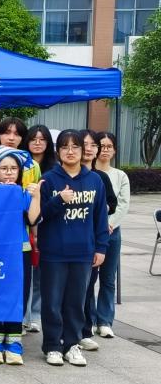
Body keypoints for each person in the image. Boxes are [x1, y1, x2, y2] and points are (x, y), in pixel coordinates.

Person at [38, 129, 109, 368]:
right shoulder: (49, 179)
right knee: (52, 301)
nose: (70, 151)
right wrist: (59, 200)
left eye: (75, 146)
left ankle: (72, 345)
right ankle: (52, 346)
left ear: (83, 150)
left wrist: (101, 247)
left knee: (76, 302)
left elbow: (100, 218)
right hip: (54, 252)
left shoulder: (94, 180)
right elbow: (39, 216)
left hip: (83, 252)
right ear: (58, 151)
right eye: (65, 147)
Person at [0, 147, 41, 365]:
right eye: (3, 168)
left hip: (19, 251)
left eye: (13, 168)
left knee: (18, 295)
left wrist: (36, 196)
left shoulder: (23, 193)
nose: (8, 172)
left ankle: (14, 343)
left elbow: (33, 219)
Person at [86, 131, 129, 342]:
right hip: (92, 231)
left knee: (108, 278)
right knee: (88, 279)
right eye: (101, 146)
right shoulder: (88, 173)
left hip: (112, 231)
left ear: (114, 150)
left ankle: (105, 321)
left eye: (108, 146)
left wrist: (108, 224)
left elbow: (122, 204)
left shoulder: (120, 175)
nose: (104, 150)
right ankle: (90, 319)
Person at [78, 129, 118, 351]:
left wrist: (99, 211)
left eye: (93, 145)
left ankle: (86, 329)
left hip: (92, 238)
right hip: (68, 241)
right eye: (84, 144)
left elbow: (112, 204)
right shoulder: (62, 176)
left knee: (87, 286)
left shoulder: (100, 178)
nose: (89, 148)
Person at [23, 124, 56, 334]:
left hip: (48, 224)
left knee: (41, 274)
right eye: (33, 139)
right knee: (26, 273)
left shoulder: (54, 169)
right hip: (26, 224)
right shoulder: (20, 164)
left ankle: (35, 315)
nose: (37, 143)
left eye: (42, 139)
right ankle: (23, 316)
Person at [0, 117, 39, 188]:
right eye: (7, 133)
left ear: (22, 138)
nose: (11, 138)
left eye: (17, 134)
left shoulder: (33, 165)